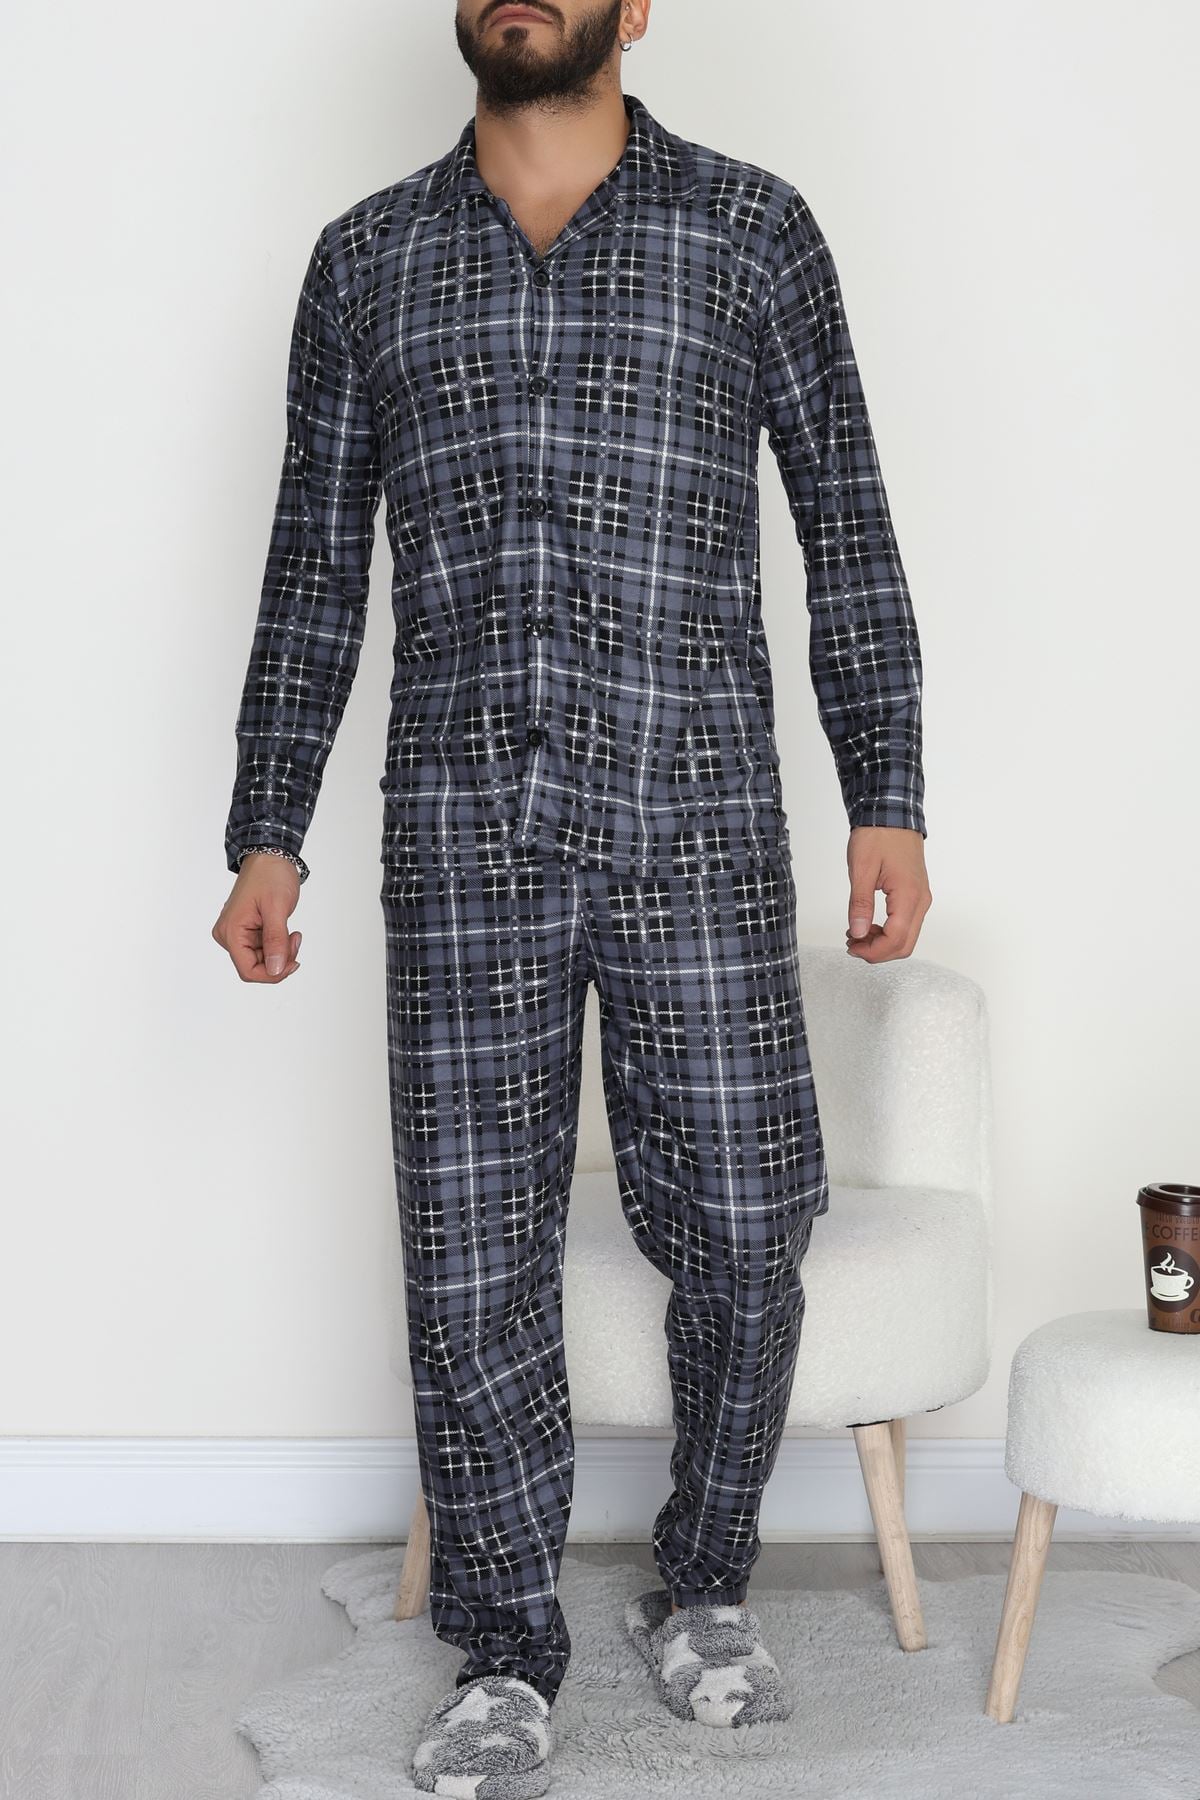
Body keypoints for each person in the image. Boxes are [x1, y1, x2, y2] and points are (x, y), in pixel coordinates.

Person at [212, 1, 932, 1790]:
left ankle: (705, 1582)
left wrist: (887, 796)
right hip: (462, 831)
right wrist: (268, 826)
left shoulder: (750, 229)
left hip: (700, 818)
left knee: (749, 1226)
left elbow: (844, 517)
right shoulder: (367, 260)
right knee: (473, 1255)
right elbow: (315, 561)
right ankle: (503, 1650)